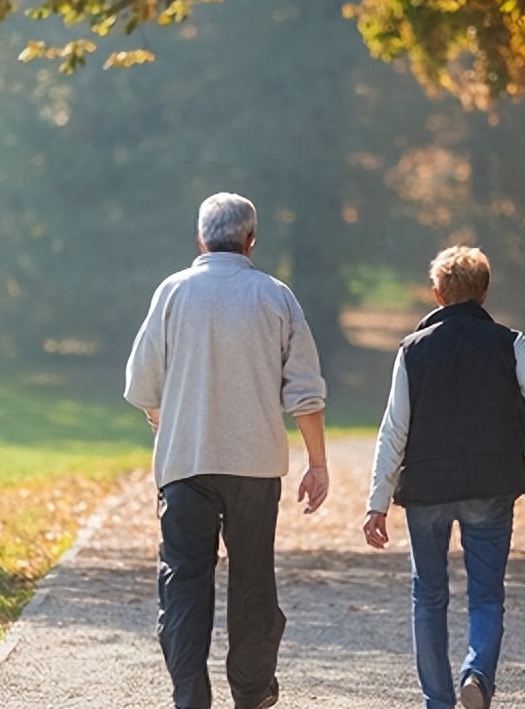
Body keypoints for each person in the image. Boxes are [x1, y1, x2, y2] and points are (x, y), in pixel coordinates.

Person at [124, 192, 329, 709]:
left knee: (185, 579)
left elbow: (142, 385)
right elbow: (305, 390)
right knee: (253, 577)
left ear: (200, 238)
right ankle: (253, 691)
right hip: (255, 467)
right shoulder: (276, 296)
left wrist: (166, 424)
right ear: (251, 239)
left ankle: (191, 692)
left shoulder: (172, 293)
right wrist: (317, 463)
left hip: (186, 465)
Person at [362, 246, 525, 709]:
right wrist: (520, 431)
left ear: (437, 294)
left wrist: (377, 501)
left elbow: (395, 428)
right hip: (491, 482)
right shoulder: (509, 343)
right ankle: (477, 673)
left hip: (427, 489)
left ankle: (437, 701)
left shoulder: (412, 350)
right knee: (487, 594)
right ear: (484, 292)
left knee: (428, 597)